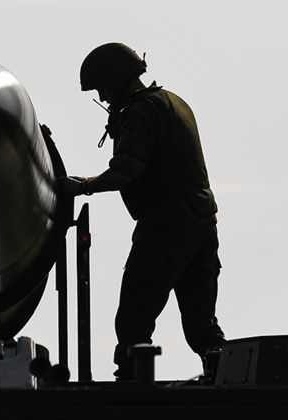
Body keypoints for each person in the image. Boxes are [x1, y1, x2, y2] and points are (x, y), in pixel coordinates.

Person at [61, 43, 225, 380]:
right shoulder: (173, 102)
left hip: (167, 225)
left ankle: (131, 388)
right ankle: (223, 376)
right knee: (202, 324)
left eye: (103, 89)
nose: (103, 98)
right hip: (202, 221)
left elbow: (127, 170)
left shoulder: (140, 111)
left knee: (134, 317)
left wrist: (82, 186)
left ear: (117, 80)